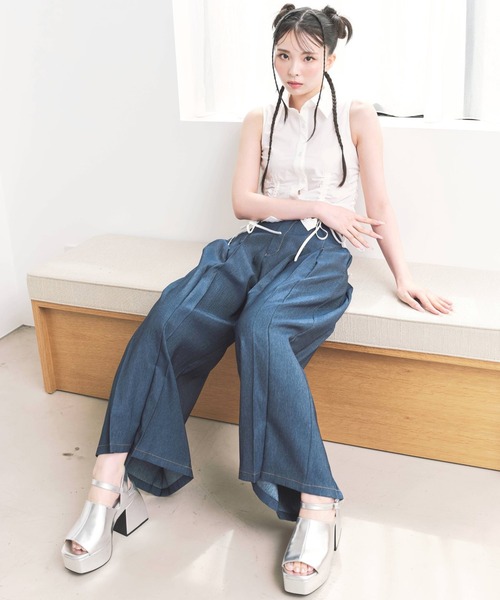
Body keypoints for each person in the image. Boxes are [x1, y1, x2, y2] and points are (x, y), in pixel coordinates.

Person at [61, 4, 452, 595]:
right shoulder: (258, 118)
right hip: (253, 244)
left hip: (320, 254)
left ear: (330, 59)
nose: (294, 69)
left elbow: (379, 204)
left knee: (262, 328)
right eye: (283, 55)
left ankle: (318, 504)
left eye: (308, 57)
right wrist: (316, 204)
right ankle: (109, 486)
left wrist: (403, 276)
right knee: (170, 316)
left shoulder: (356, 115)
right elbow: (244, 202)